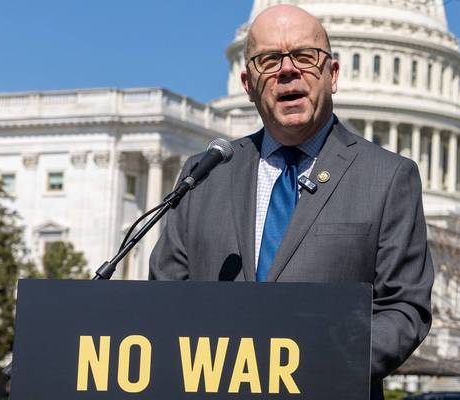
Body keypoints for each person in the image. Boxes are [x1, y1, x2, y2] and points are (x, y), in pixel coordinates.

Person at [148, 5, 434, 400]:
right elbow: (165, 295)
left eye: (304, 56)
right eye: (269, 60)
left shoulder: (387, 177)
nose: (287, 70)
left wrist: (314, 368)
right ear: (247, 84)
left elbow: (403, 307)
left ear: (333, 74)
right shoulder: (204, 175)